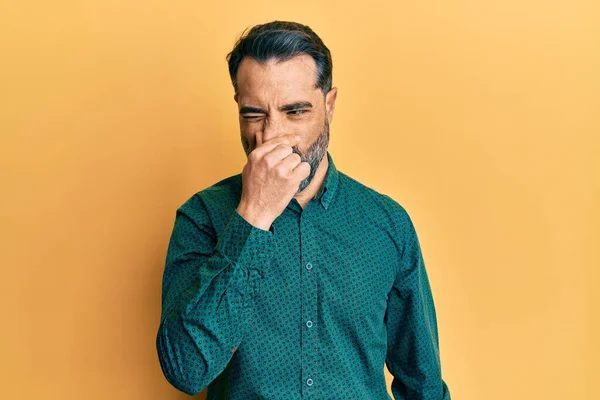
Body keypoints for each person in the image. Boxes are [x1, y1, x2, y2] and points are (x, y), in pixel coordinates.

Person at [156, 20, 451, 400]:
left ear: (329, 106)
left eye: (295, 111)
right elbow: (186, 369)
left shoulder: (387, 223)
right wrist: (253, 215)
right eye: (254, 114)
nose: (273, 134)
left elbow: (421, 381)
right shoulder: (203, 217)